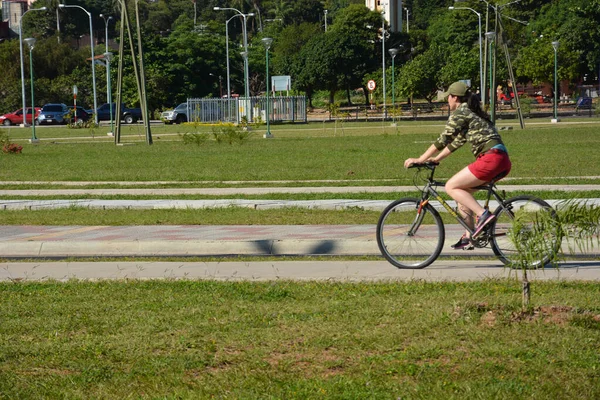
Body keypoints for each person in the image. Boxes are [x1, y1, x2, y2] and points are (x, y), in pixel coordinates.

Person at [403, 81, 512, 250]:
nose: (447, 101)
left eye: (448, 98)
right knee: (463, 197)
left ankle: (483, 215)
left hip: (490, 159)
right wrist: (437, 159)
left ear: (455, 97)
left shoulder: (461, 112)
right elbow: (456, 142)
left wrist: (421, 159)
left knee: (451, 186)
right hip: (500, 159)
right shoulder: (471, 112)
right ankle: (470, 236)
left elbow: (444, 139)